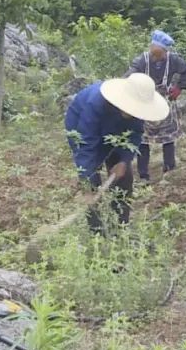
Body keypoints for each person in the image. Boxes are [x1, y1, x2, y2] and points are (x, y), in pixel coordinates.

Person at [65, 72, 170, 231]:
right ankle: (96, 231)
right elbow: (86, 145)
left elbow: (134, 134)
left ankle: (121, 225)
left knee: (124, 177)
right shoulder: (96, 104)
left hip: (117, 132)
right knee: (91, 178)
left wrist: (124, 160)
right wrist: (86, 182)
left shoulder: (138, 109)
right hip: (81, 127)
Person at [125, 30, 186, 184]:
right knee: (143, 139)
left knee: (168, 138)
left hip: (165, 101)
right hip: (145, 102)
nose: (156, 58)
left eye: (159, 54)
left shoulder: (173, 60)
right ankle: (143, 175)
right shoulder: (142, 61)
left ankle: (169, 171)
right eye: (154, 54)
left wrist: (179, 87)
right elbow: (129, 75)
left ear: (165, 51)